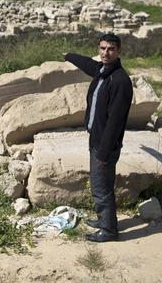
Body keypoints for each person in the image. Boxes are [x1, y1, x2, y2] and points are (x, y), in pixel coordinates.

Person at [64, 33, 133, 243]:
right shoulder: (102, 71)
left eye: (110, 49)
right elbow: (88, 64)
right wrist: (68, 55)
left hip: (105, 144)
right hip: (96, 138)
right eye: (102, 48)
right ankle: (105, 220)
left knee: (101, 187)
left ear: (118, 51)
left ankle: (109, 231)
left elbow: (115, 122)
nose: (105, 53)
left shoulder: (120, 81)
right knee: (101, 184)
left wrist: (103, 152)